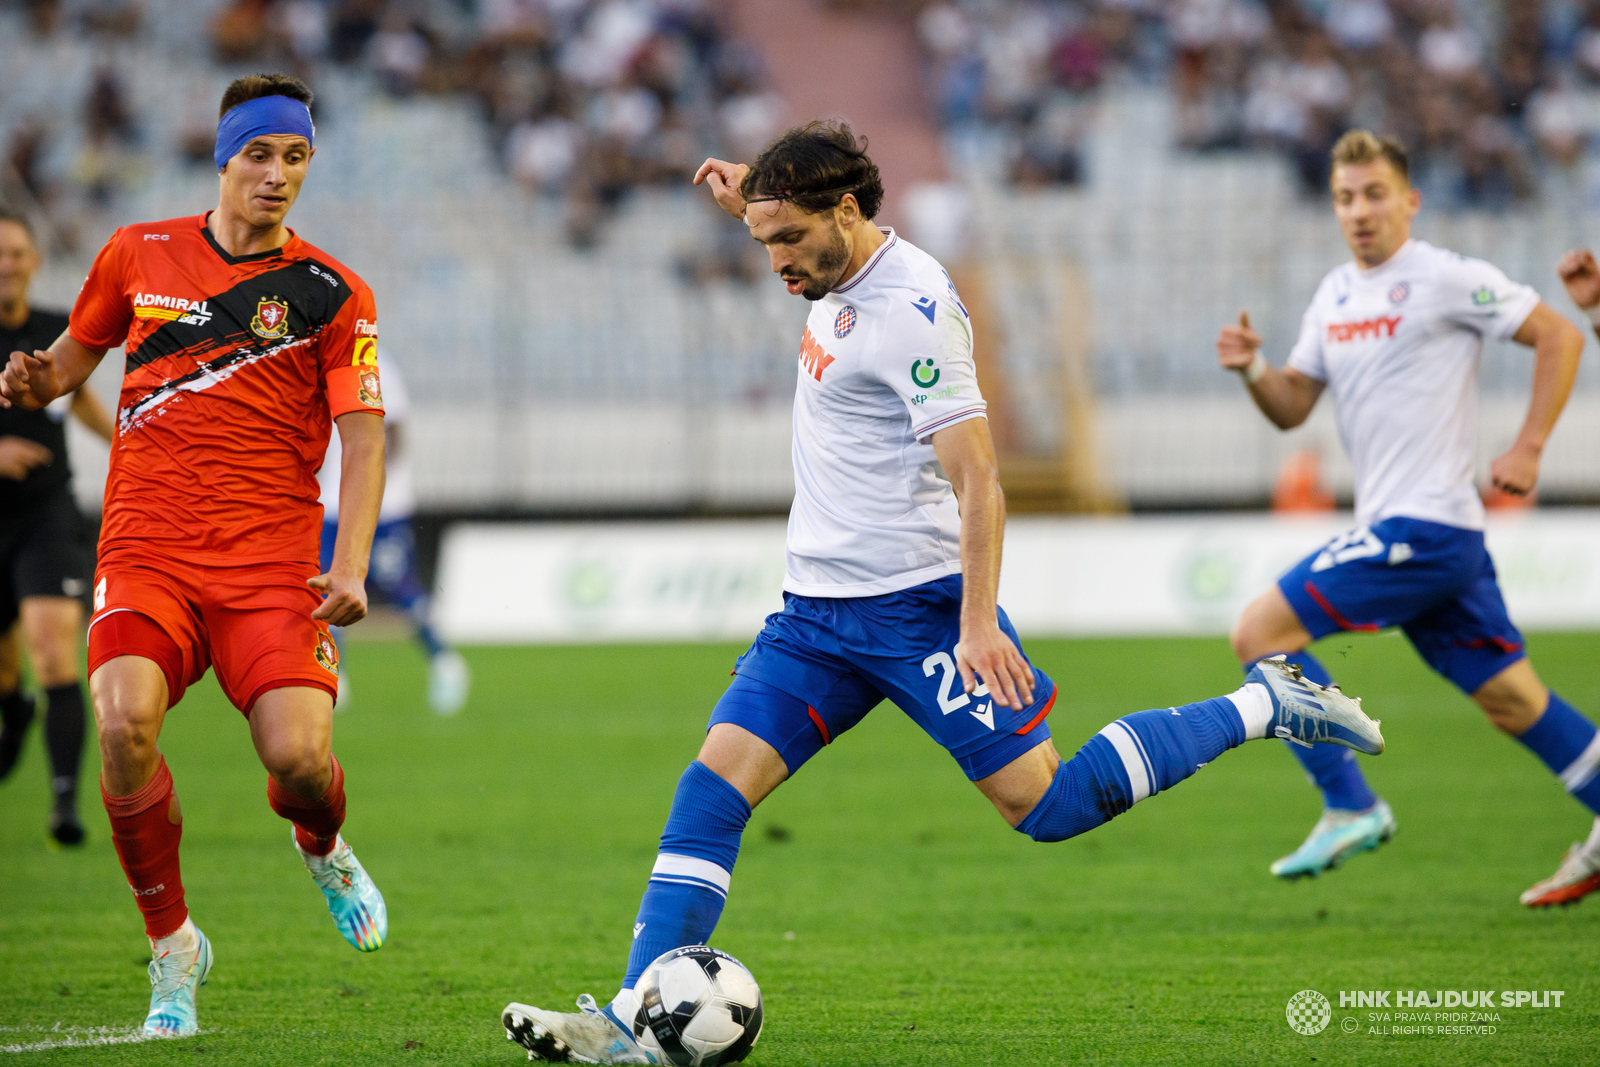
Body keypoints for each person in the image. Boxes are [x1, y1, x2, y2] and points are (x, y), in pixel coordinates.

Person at [497, 121, 1387, 1064]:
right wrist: (750, 201)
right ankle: (635, 1018)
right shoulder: (827, 262)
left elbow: (980, 481)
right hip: (814, 617)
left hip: (919, 611)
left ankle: (1266, 701)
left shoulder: (913, 313)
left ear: (846, 211)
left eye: (788, 238)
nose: (775, 262)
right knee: (710, 789)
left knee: (1049, 806)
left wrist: (973, 624)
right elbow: (790, 232)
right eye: (763, 241)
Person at [0, 73, 390, 1039]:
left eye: (295, 157)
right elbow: (65, 368)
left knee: (300, 759)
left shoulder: (332, 293)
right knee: (124, 722)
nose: (277, 175)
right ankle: (173, 945)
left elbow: (365, 436)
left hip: (270, 569)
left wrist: (350, 565)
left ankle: (322, 840)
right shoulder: (137, 255)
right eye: (260, 154)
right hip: (148, 552)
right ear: (223, 157)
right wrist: (30, 377)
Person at [1216, 129, 1599, 907]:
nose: (1360, 211)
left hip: (1421, 529)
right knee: (1514, 700)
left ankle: (1351, 803)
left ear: (1410, 201)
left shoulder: (1443, 277)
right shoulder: (1334, 294)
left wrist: (1528, 446)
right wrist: (1255, 368)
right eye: (1346, 198)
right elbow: (1293, 407)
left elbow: (1557, 335)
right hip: (1429, 539)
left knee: (1259, 633)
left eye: (1376, 194)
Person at [0, 206, 115, 845]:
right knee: (7, 676)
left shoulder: (55, 332)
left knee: (53, 651)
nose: (7, 265)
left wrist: (131, 441)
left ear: (34, 260)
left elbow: (81, 402)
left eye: (16, 252)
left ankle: (65, 803)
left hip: (47, 516)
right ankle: (14, 719)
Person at [314, 347, 469, 714]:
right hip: (329, 505)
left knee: (399, 587)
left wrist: (373, 489)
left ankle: (444, 661)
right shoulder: (309, 361)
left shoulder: (375, 363)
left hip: (379, 508)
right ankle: (337, 678)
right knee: (324, 590)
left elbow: (394, 432)